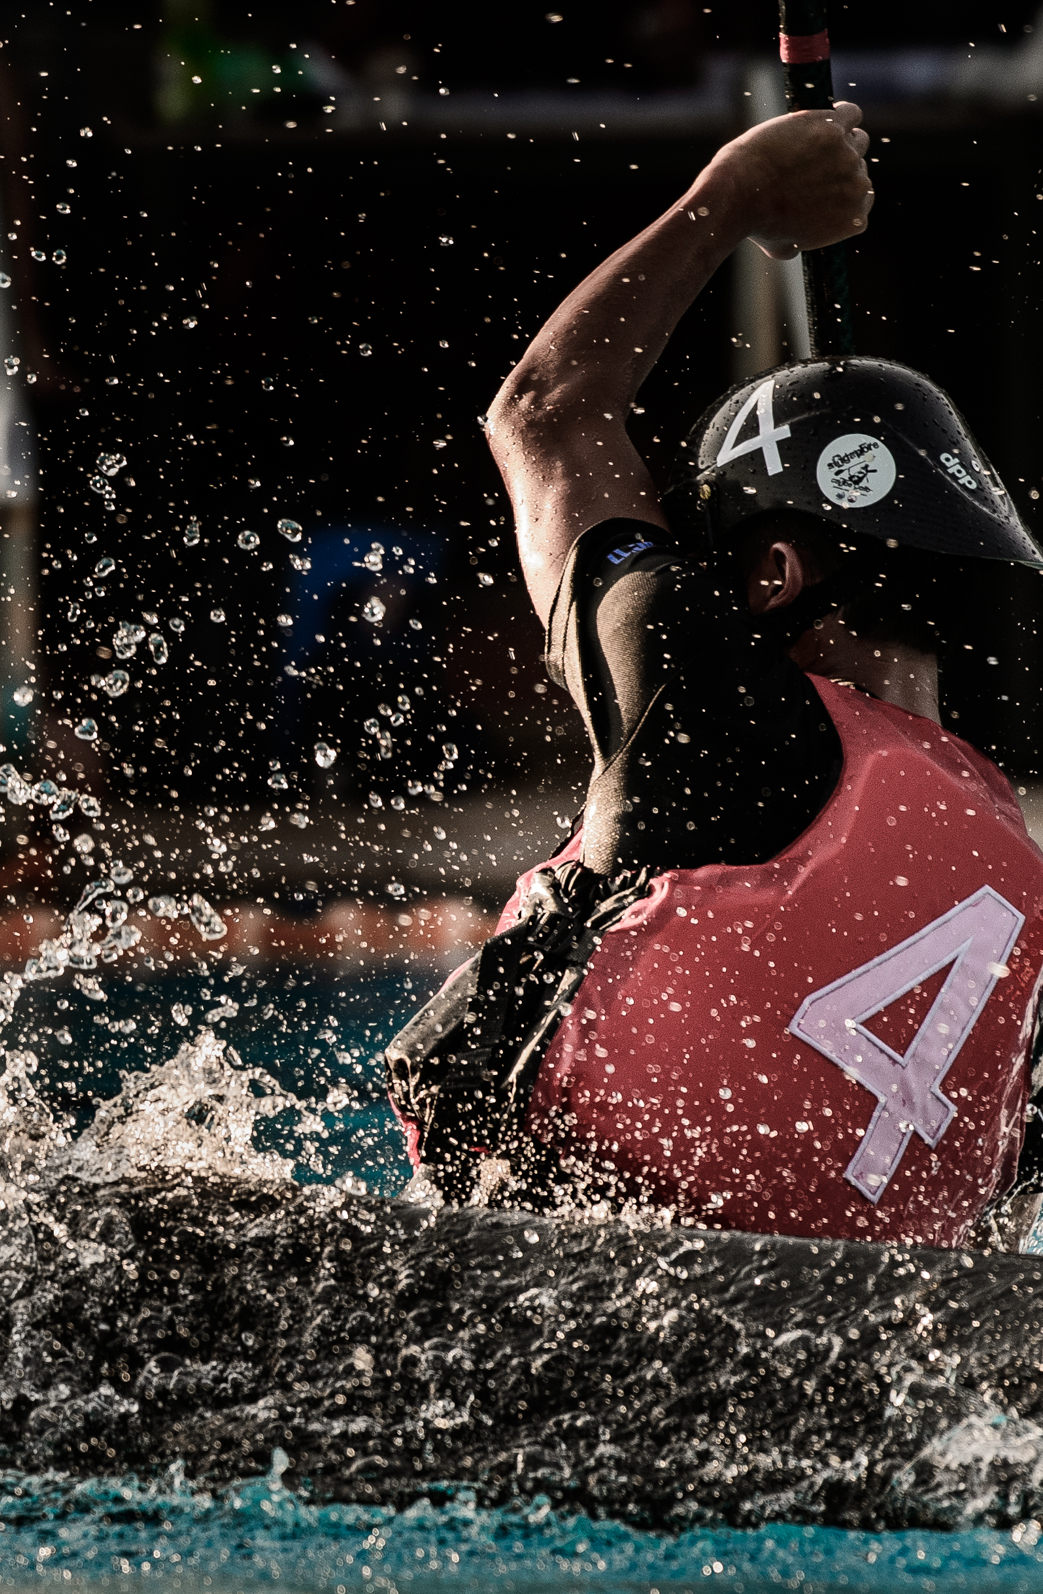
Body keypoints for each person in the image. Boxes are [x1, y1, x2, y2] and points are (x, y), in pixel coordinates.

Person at [382, 102, 1043, 1250]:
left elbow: (544, 412)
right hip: (867, 1360)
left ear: (772, 573)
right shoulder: (1017, 872)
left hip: (580, 1293)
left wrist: (729, 197)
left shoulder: (709, 699)